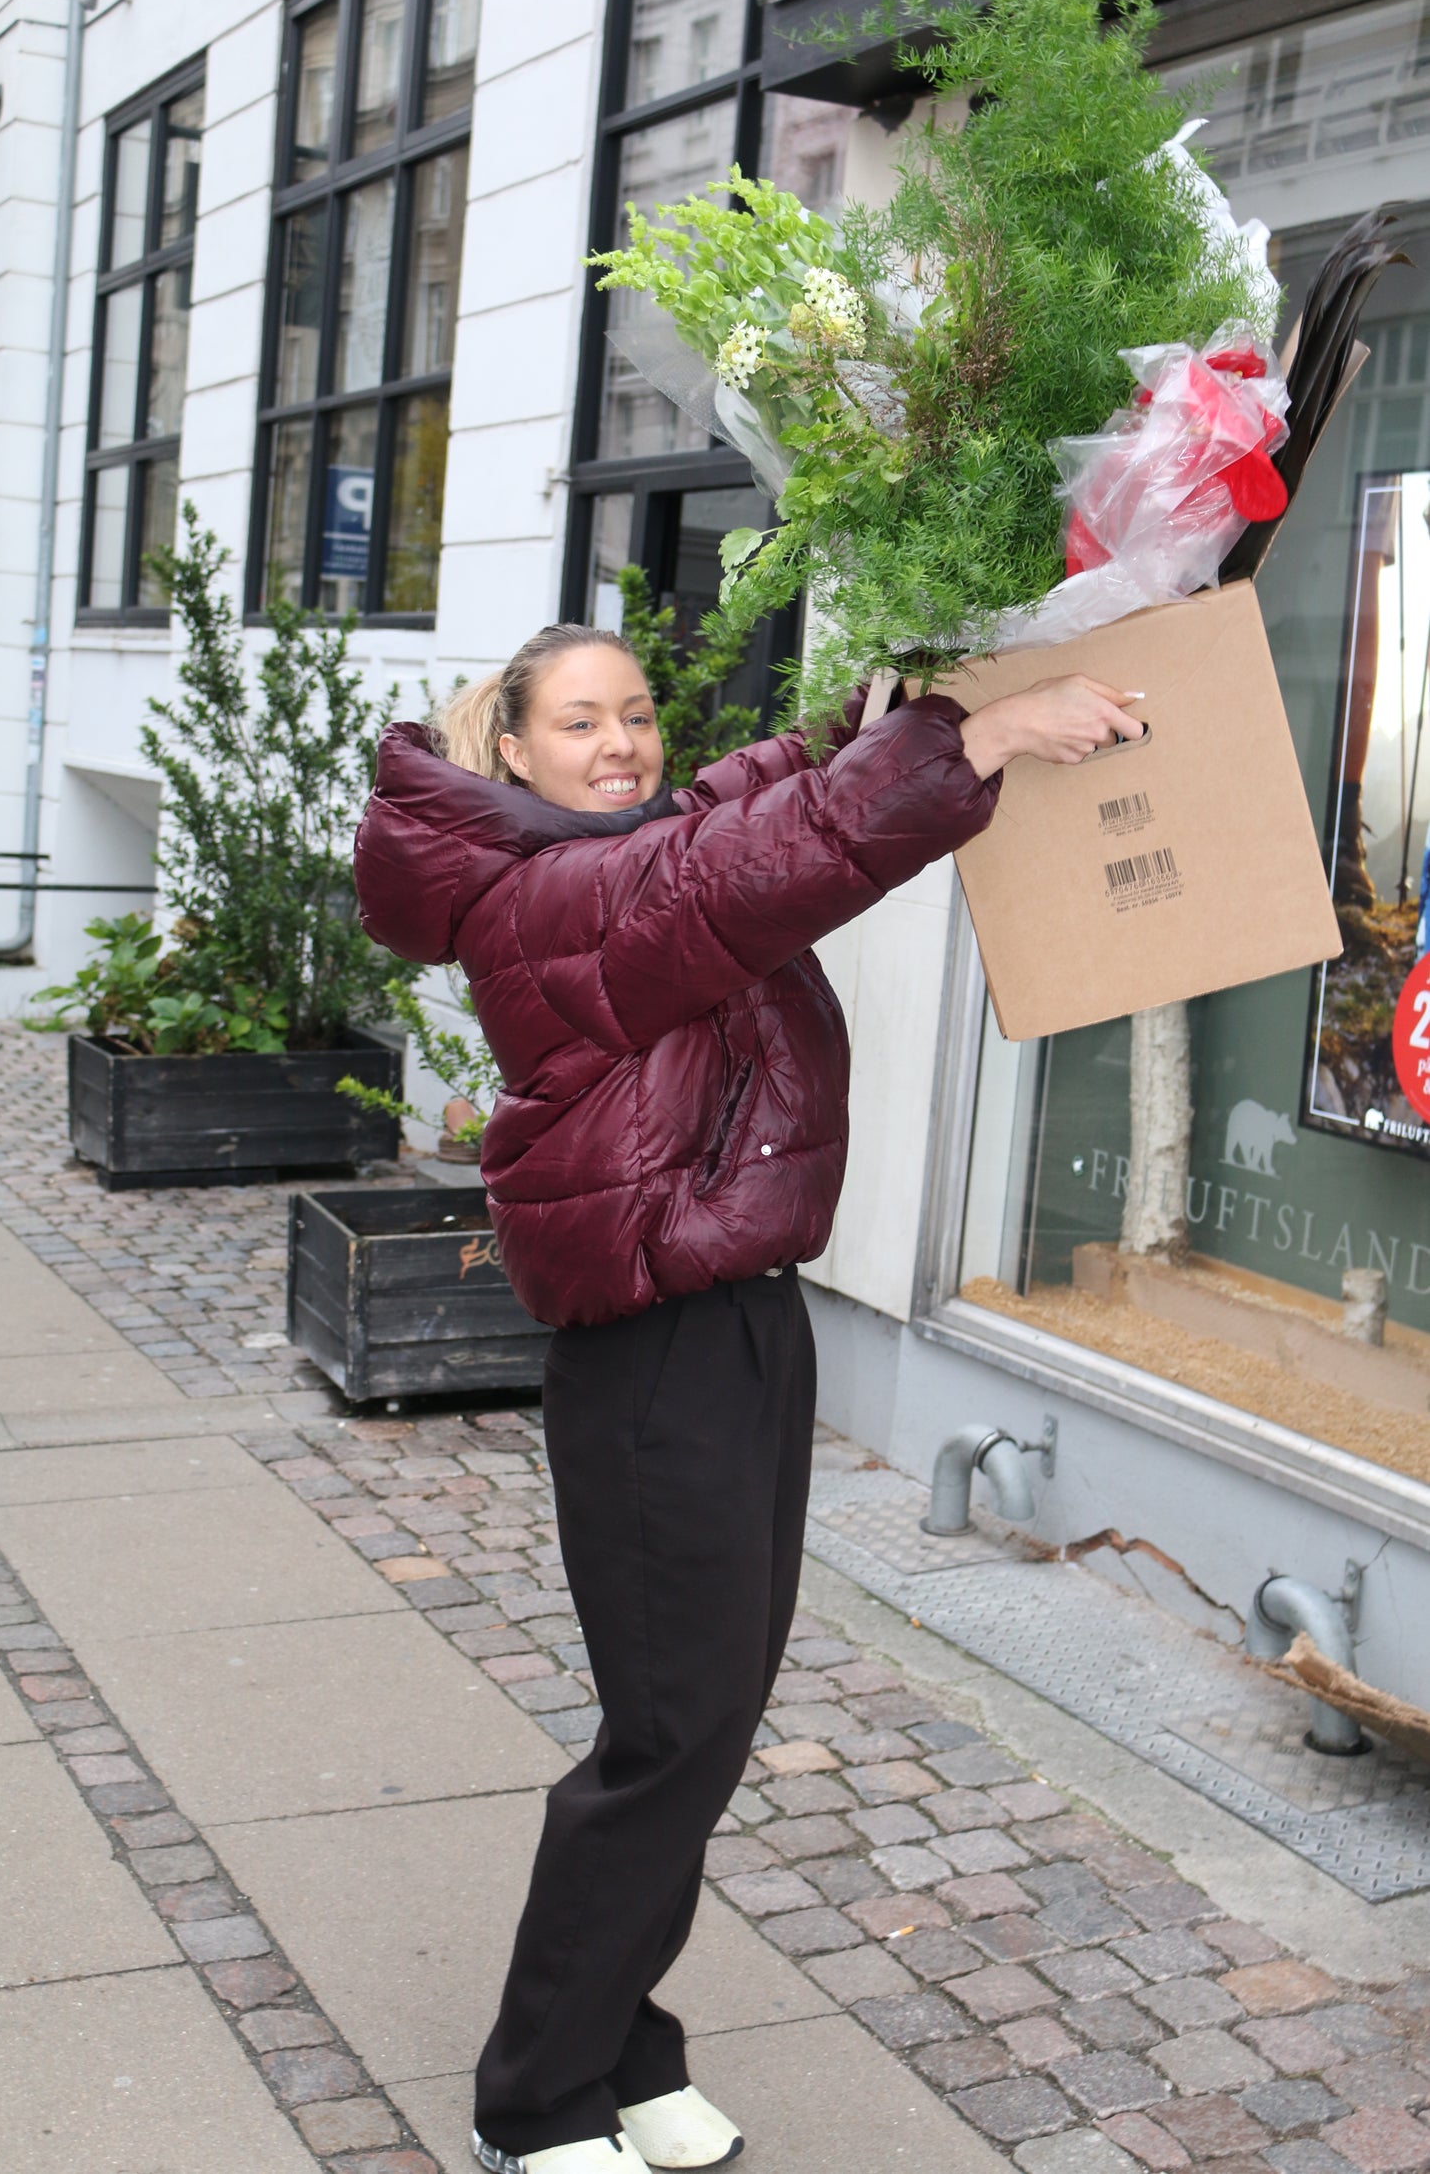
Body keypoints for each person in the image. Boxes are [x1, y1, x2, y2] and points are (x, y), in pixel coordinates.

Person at [354, 626, 1142, 2174]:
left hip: (740, 1319)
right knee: (670, 1733)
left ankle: (625, 2049)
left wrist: (899, 698)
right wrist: (978, 742)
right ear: (511, 749)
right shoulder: (547, 899)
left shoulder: (628, 847)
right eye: (581, 721)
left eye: (638, 712)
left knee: (704, 1725)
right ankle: (536, 2101)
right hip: (654, 1350)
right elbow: (751, 872)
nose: (625, 742)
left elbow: (751, 795)